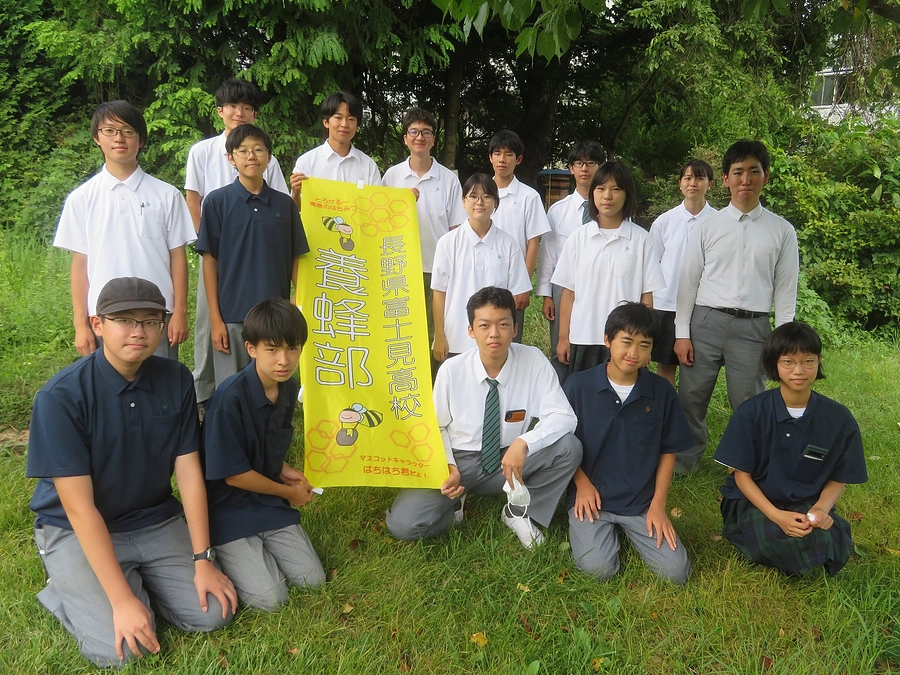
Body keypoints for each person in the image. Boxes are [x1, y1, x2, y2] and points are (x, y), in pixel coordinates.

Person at [26, 277, 237, 668]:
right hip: (76, 528)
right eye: (125, 320)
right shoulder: (61, 397)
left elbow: (188, 470)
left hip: (152, 518)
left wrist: (203, 559)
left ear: (163, 325)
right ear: (98, 324)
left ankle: (133, 583)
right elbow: (78, 508)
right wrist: (122, 601)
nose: (138, 332)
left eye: (150, 321)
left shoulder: (176, 379)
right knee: (120, 653)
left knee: (213, 614)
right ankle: (68, 586)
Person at [386, 286, 582, 549]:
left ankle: (519, 511)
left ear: (515, 328)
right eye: (484, 325)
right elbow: (436, 426)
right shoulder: (452, 371)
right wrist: (448, 465)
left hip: (508, 459)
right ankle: (455, 504)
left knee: (569, 448)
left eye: (503, 324)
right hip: (460, 460)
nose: (494, 333)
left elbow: (564, 416)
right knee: (404, 524)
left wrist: (524, 443)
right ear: (471, 331)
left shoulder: (533, 360)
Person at [674, 140, 799, 473]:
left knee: (749, 403)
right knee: (692, 398)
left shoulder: (782, 231)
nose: (746, 180)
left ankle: (745, 465)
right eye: (738, 172)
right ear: (726, 179)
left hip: (753, 329)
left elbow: (786, 288)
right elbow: (688, 283)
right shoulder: (707, 227)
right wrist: (682, 333)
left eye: (753, 172)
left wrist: (784, 339)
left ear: (766, 176)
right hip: (705, 323)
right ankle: (685, 463)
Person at [713, 322, 867, 576]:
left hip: (806, 501)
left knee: (821, 532)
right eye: (788, 362)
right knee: (778, 535)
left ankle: (809, 548)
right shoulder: (751, 412)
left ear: (819, 361)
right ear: (774, 363)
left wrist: (821, 509)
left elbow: (839, 476)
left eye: (808, 361)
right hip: (753, 502)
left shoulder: (838, 418)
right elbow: (741, 476)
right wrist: (777, 516)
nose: (799, 370)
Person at [203, 298, 325, 611]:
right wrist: (289, 493)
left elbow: (265, 442)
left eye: (292, 348)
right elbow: (234, 475)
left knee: (312, 580)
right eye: (272, 349)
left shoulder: (287, 388)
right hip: (227, 507)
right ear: (252, 348)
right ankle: (222, 554)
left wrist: (283, 469)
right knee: (271, 599)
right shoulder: (228, 399)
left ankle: (257, 550)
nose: (284, 360)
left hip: (266, 500)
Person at [54, 100, 195, 360]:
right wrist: (80, 324)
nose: (119, 138)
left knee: (159, 381)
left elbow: (178, 257)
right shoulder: (82, 198)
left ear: (141, 140)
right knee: (107, 383)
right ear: (97, 137)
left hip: (156, 314)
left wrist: (179, 312)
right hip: (104, 316)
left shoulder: (167, 195)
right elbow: (80, 264)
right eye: (110, 131)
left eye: (128, 131)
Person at [563, 303, 693, 583]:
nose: (634, 353)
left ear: (651, 351)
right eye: (626, 342)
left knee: (676, 573)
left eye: (644, 345)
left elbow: (668, 451)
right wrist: (581, 484)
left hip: (641, 502)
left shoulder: (661, 392)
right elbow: (564, 444)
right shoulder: (577, 386)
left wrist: (658, 506)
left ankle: (630, 528)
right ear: (607, 340)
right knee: (598, 570)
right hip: (591, 498)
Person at [185, 77, 290, 412]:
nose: (239, 112)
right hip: (219, 251)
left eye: (246, 107)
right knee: (212, 326)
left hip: (257, 252)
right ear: (220, 111)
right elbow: (193, 199)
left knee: (266, 328)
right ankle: (207, 394)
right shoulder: (202, 151)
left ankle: (266, 399)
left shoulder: (267, 158)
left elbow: (280, 205)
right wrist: (211, 243)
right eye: (232, 106)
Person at [196, 124, 309, 386]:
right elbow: (210, 262)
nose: (252, 156)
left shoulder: (284, 204)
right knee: (231, 387)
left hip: (274, 315)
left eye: (259, 150)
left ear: (269, 157)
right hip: (232, 314)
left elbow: (297, 256)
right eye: (243, 151)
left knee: (271, 385)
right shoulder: (216, 202)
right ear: (230, 158)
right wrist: (215, 319)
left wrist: (296, 298)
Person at [552, 161, 665, 377]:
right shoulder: (578, 238)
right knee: (583, 393)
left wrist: (644, 342)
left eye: (616, 189)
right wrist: (564, 337)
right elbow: (568, 293)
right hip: (583, 336)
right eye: (601, 188)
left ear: (627, 194)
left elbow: (646, 296)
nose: (607, 196)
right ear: (593, 193)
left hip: (625, 340)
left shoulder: (641, 239)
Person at [382, 107, 466, 374]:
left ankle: (435, 387)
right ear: (405, 138)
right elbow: (379, 224)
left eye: (426, 132)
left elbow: (456, 229)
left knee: (436, 332)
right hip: (400, 269)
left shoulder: (449, 180)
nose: (420, 137)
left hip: (437, 270)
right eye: (414, 132)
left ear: (433, 139)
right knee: (402, 331)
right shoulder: (392, 177)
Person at [431, 174, 532, 361]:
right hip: (455, 340)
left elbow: (514, 298)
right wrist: (439, 335)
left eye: (486, 196)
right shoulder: (448, 242)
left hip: (495, 342)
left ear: (496, 202)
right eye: (473, 196)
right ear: (463, 201)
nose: (480, 202)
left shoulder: (509, 244)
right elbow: (439, 292)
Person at [536, 141, 606, 378]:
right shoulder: (558, 210)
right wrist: (546, 294)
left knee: (599, 346)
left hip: (600, 287)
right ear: (571, 168)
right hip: (564, 287)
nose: (584, 169)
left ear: (600, 167)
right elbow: (548, 253)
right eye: (579, 163)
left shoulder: (609, 209)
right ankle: (562, 395)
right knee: (562, 349)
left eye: (590, 163)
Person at [649, 159, 718, 388]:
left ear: (710, 184)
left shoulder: (719, 222)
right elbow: (652, 264)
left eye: (700, 178)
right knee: (666, 365)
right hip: (667, 304)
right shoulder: (664, 222)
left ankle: (689, 407)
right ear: (680, 184)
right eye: (688, 178)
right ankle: (666, 405)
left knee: (694, 365)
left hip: (703, 305)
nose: (693, 183)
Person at [488, 130, 551, 339]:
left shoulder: (528, 197)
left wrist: (524, 285)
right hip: (481, 278)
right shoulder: (480, 194)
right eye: (497, 153)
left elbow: (533, 242)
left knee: (510, 340)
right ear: (490, 157)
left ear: (519, 159)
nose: (502, 160)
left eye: (508, 154)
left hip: (513, 283)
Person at [290, 90, 381, 205]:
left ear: (357, 126)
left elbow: (376, 207)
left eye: (351, 119)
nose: (344, 124)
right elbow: (296, 210)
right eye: (338, 118)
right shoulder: (307, 162)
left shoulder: (368, 166)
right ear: (326, 122)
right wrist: (295, 193)